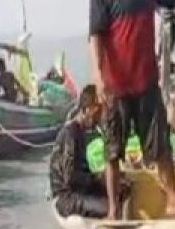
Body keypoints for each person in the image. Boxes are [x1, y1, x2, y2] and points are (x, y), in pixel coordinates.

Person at [89, 0, 175, 219]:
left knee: (160, 147)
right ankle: (114, 210)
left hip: (146, 83)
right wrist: (98, 76)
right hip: (115, 86)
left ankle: (174, 202)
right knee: (112, 151)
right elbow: (95, 34)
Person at [49, 85, 129, 219]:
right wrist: (99, 179)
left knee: (122, 189)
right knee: (111, 207)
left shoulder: (81, 132)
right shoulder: (71, 134)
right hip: (66, 197)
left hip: (78, 191)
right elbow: (71, 178)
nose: (99, 118)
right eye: (97, 113)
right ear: (86, 110)